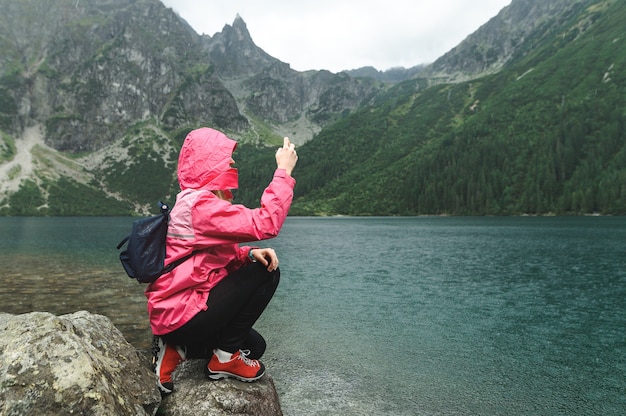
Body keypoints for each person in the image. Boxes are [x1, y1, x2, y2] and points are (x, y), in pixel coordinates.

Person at [146, 127, 298, 394]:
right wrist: (283, 172)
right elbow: (267, 223)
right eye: (226, 157)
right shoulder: (200, 206)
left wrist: (248, 253)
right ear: (208, 161)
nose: (232, 163)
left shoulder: (193, 202)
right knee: (265, 273)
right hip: (184, 313)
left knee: (255, 348)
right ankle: (223, 359)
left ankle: (177, 349)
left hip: (179, 314)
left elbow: (212, 257)